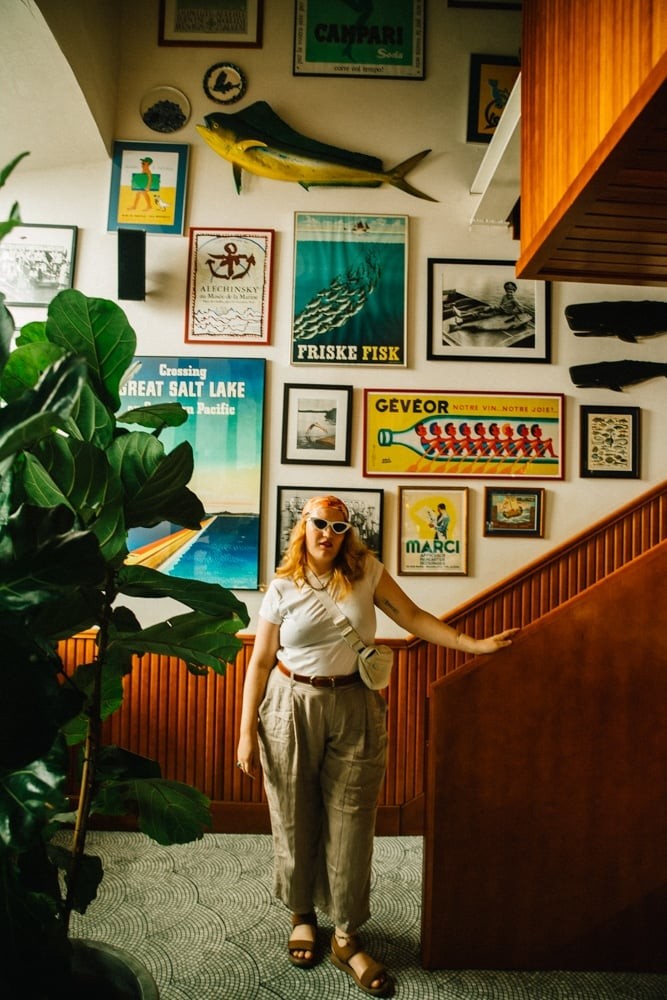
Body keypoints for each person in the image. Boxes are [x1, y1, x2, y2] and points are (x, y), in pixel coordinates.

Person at [236, 495, 518, 997]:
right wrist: (244, 733)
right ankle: (302, 913)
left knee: (352, 819)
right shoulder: (282, 585)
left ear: (347, 531)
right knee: (293, 814)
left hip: (355, 706)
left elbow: (412, 616)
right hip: (288, 703)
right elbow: (259, 662)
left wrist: (472, 645)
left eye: (338, 525)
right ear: (305, 524)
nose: (327, 532)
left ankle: (345, 934)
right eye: (319, 522)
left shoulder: (366, 571)